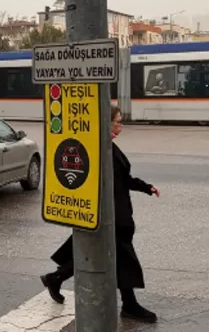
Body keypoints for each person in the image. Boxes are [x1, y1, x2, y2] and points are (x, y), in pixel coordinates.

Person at [40, 105, 160, 323]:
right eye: (118, 121)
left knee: (100, 254)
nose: (121, 125)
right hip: (111, 216)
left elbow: (122, 179)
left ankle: (56, 278)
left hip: (114, 215)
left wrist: (146, 187)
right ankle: (129, 305)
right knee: (120, 258)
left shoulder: (108, 148)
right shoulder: (100, 149)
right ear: (107, 123)